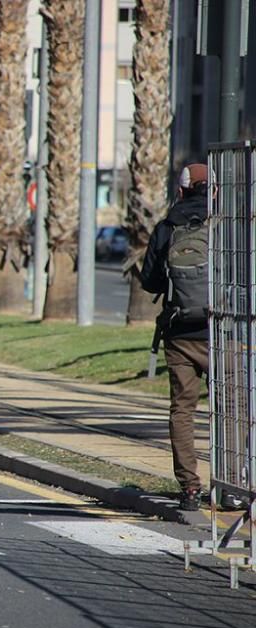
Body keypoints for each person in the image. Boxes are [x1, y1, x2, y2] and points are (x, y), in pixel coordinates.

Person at [140, 163, 211, 512]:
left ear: (181, 191)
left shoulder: (167, 227)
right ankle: (234, 486)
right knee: (235, 410)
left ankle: (190, 488)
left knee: (182, 410)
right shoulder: (227, 225)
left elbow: (150, 282)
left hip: (180, 332)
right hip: (221, 331)